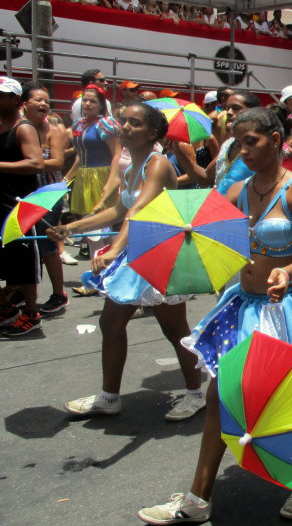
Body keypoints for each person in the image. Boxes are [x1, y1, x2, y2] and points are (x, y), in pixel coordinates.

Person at [137, 107, 292, 525]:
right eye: (238, 142)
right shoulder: (239, 188)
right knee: (219, 396)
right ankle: (197, 500)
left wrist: (286, 271)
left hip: (291, 306)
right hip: (245, 306)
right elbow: (204, 225)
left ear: (276, 141)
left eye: (251, 142)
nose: (242, 150)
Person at [50, 103, 205, 420]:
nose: (125, 127)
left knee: (175, 329)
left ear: (152, 133)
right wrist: (71, 227)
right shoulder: (131, 168)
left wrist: (111, 249)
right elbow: (119, 211)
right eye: (124, 121)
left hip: (160, 255)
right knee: (110, 321)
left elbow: (138, 212)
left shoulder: (158, 164)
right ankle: (109, 398)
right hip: (136, 253)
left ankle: (196, 393)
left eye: (134, 123)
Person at [21, 84, 71, 315]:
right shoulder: (18, 129)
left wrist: (30, 160)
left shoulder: (54, 131)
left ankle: (59, 294)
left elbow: (58, 162)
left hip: (49, 193)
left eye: (46, 101)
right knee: (25, 245)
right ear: (24, 104)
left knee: (47, 243)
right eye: (38, 100)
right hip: (24, 193)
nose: (43, 104)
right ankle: (22, 291)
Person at [0, 77, 45, 336]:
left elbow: (35, 163)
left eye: (1, 95)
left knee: (24, 259)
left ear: (15, 100)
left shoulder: (23, 128)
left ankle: (31, 313)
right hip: (1, 201)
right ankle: (6, 307)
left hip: (18, 204)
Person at [63, 84, 121, 262]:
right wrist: (66, 178)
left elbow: (117, 154)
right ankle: (100, 272)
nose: (87, 104)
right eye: (85, 100)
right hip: (84, 178)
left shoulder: (106, 124)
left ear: (102, 105)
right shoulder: (79, 125)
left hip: (103, 176)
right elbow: (81, 157)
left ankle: (107, 270)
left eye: (92, 101)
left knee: (102, 227)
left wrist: (111, 183)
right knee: (90, 228)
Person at [206, 90, 261, 193]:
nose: (229, 113)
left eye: (236, 108)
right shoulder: (227, 144)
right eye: (227, 108)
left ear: (254, 112)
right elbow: (205, 177)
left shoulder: (261, 148)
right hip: (222, 207)